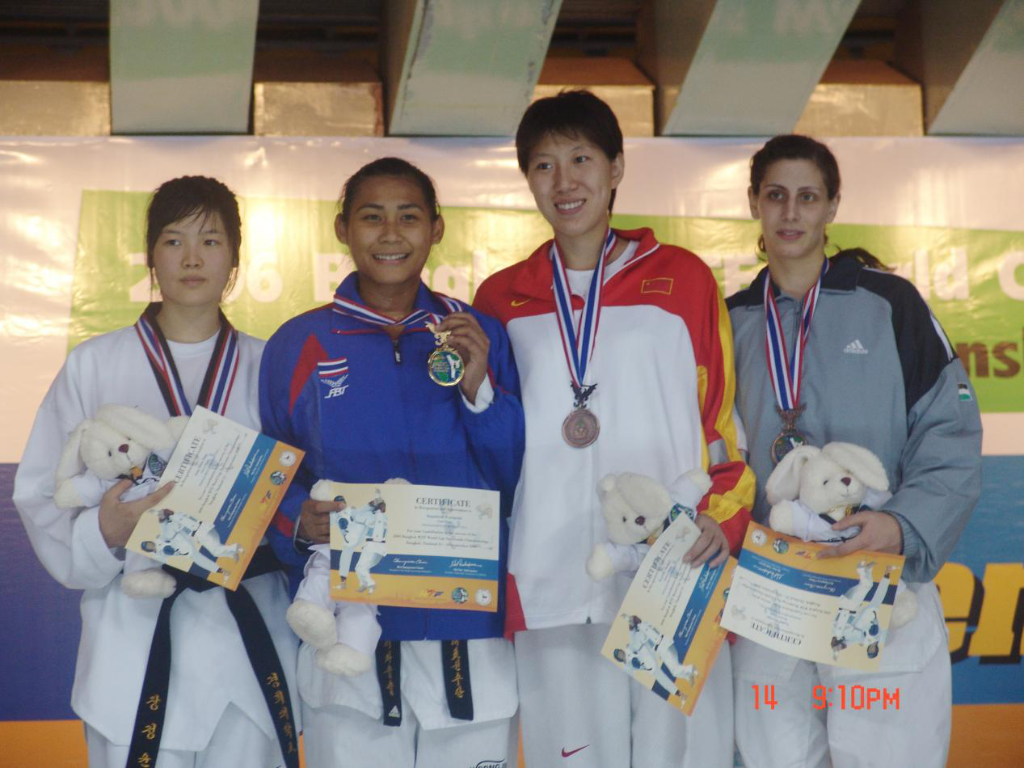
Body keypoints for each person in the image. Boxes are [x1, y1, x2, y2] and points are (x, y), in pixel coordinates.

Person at [473, 90, 754, 768]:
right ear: (528, 180)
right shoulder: (500, 297)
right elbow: (493, 439)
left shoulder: (683, 278)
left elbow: (719, 421)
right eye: (544, 165)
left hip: (675, 567)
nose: (564, 181)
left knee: (683, 758)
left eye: (581, 159)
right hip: (550, 574)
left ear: (617, 168)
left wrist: (722, 517)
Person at [14, 176, 299, 767]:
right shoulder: (93, 364)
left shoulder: (270, 364)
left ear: (235, 259)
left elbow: (303, 494)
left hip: (248, 648)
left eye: (211, 241)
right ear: (150, 256)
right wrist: (105, 531)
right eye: (173, 241)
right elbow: (41, 493)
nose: (192, 258)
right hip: (132, 642)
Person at [259, 157, 525, 768]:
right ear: (342, 228)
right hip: (349, 636)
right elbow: (274, 473)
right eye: (371, 217)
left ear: (436, 228)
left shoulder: (478, 334)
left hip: (465, 628)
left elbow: (514, 475)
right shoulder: (297, 344)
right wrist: (299, 519)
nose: (390, 233)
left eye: (408, 217)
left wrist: (479, 388)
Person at [727, 134, 982, 768]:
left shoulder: (891, 305)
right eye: (776, 195)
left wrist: (901, 526)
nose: (791, 212)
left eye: (808, 197)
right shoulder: (731, 321)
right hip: (771, 592)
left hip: (876, 575)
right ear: (754, 203)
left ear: (833, 206)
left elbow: (949, 434)